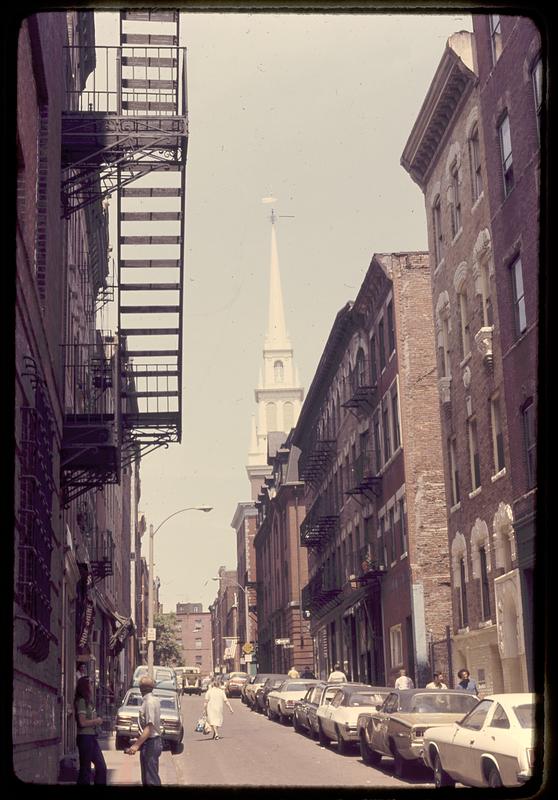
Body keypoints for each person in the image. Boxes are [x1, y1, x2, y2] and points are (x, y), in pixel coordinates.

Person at [125, 675, 162, 786]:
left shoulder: (149, 702)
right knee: (147, 777)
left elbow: (149, 727)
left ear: (142, 689)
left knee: (151, 779)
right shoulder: (152, 700)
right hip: (150, 742)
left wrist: (136, 745)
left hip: (151, 742)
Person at [74, 676, 107, 785]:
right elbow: (82, 722)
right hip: (84, 738)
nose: (93, 686)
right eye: (91, 684)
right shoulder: (82, 701)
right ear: (85, 686)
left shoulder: (89, 702)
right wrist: (96, 721)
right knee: (85, 769)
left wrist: (96, 721)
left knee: (101, 766)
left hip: (92, 737)